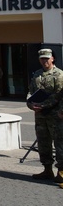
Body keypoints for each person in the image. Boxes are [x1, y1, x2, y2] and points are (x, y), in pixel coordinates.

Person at [27, 48, 63, 182]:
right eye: (42, 58)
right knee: (43, 143)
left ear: (52, 58)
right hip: (40, 116)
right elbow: (30, 92)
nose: (44, 61)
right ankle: (47, 169)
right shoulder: (37, 74)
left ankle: (61, 171)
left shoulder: (59, 75)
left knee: (59, 143)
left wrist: (43, 105)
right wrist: (30, 104)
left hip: (55, 115)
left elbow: (59, 95)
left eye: (47, 58)